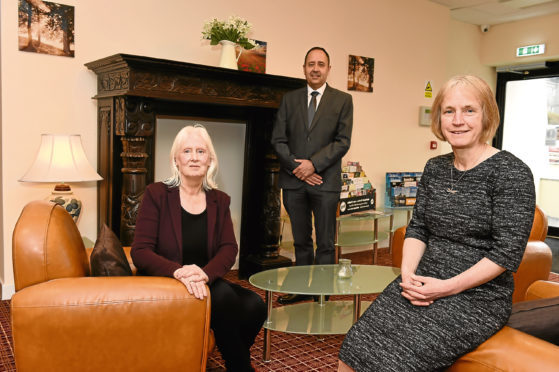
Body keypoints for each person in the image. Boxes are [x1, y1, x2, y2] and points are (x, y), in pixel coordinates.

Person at [338, 75, 536, 371]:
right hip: (421, 280)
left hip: (477, 297)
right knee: (354, 346)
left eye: (469, 110)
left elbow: (505, 254)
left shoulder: (511, 173)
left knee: (395, 362)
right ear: (439, 118)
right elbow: (418, 228)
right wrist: (407, 274)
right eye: (449, 111)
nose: (458, 120)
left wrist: (445, 288)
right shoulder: (435, 167)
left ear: (487, 116)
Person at [131, 124, 266, 372]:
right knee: (224, 298)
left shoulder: (220, 200)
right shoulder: (156, 194)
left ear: (210, 160)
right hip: (167, 280)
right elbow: (140, 251)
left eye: (201, 151)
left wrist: (204, 274)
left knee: (256, 305)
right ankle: (240, 366)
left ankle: (229, 355)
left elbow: (228, 248)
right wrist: (179, 271)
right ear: (176, 160)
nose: (194, 157)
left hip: (205, 278)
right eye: (187, 151)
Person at [271, 46, 353, 305]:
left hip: (325, 182)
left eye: (321, 64)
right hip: (294, 183)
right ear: (304, 68)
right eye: (310, 64)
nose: (315, 68)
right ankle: (300, 289)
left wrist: (313, 165)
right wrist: (300, 169)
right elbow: (278, 139)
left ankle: (321, 292)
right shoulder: (289, 99)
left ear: (329, 69)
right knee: (301, 240)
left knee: (326, 242)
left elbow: (342, 141)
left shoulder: (343, 100)